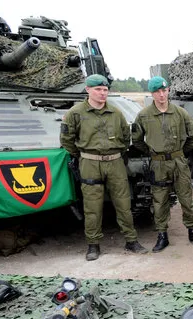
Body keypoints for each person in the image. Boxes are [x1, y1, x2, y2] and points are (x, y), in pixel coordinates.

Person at [60, 74, 147, 261]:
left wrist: (117, 153)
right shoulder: (76, 113)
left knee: (124, 204)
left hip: (115, 162)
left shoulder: (116, 113)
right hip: (90, 163)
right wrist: (83, 156)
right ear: (88, 90)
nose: (102, 93)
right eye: (98, 89)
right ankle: (93, 245)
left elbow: (125, 137)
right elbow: (67, 140)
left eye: (105, 90)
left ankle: (131, 240)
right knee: (92, 206)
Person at [132, 76, 193, 252]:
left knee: (186, 198)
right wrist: (151, 152)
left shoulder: (180, 113)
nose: (161, 95)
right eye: (157, 92)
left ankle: (192, 230)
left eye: (164, 91)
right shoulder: (144, 115)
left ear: (168, 91)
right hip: (158, 164)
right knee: (159, 200)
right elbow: (136, 140)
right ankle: (162, 235)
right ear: (152, 94)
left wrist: (180, 153)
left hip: (178, 162)